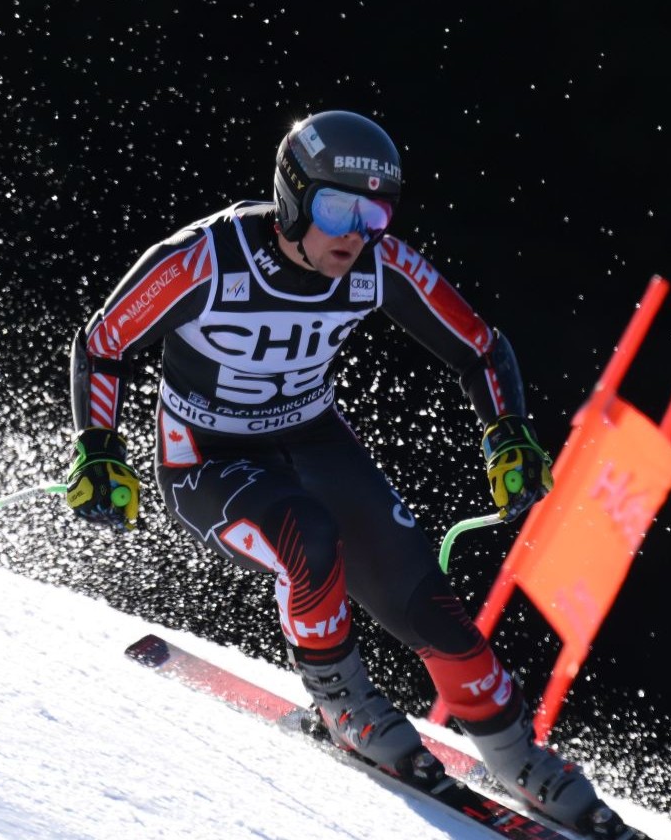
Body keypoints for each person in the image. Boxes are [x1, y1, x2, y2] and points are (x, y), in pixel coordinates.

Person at [63, 110, 628, 836]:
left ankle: (517, 755)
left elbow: (481, 348)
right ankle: (344, 704)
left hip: (311, 436)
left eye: (376, 212)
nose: (356, 232)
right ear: (294, 196)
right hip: (206, 458)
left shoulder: (378, 265)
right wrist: (100, 448)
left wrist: (508, 435)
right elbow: (104, 342)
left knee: (427, 602)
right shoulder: (208, 257)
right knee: (310, 539)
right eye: (338, 207)